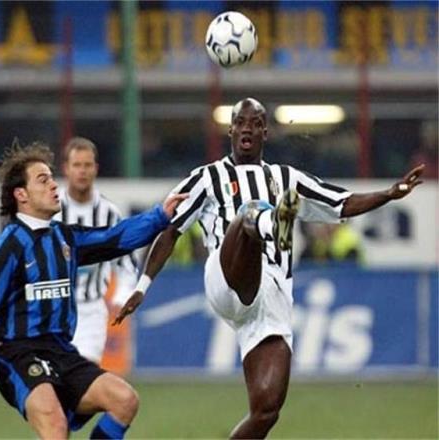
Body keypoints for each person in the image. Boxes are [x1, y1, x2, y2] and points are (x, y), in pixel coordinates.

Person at [114, 98, 424, 438]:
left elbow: (342, 203)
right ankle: (271, 224)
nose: (247, 128)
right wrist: (142, 286)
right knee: (248, 213)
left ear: (265, 132)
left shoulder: (286, 177)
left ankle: (273, 223)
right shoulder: (207, 177)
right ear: (230, 130)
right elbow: (171, 230)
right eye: (240, 122)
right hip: (227, 277)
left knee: (266, 411)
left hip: (271, 299)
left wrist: (390, 193)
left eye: (255, 123)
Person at [0, 141, 186, 439]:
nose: (54, 185)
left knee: (125, 400)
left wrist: (159, 216)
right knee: (56, 427)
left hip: (61, 351)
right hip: (19, 355)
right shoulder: (7, 247)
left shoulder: (64, 237)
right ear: (21, 194)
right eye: (43, 180)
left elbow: (114, 238)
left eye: (52, 178)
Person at [54, 137, 137, 364]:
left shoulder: (109, 213)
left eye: (87, 165)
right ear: (66, 169)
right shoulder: (51, 210)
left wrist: (122, 295)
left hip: (91, 311)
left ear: (96, 169)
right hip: (54, 309)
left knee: (84, 375)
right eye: (77, 165)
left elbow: (126, 263)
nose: (82, 171)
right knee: (54, 377)